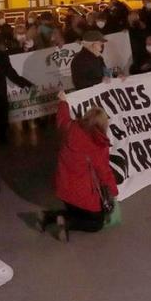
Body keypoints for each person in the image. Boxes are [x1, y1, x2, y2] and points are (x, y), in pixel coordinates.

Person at [41, 92, 117, 241]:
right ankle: (68, 223)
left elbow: (61, 118)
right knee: (96, 222)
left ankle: (49, 217)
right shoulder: (99, 144)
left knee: (76, 210)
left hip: (63, 189)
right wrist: (113, 191)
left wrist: (63, 102)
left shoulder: (70, 127)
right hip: (83, 194)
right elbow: (104, 172)